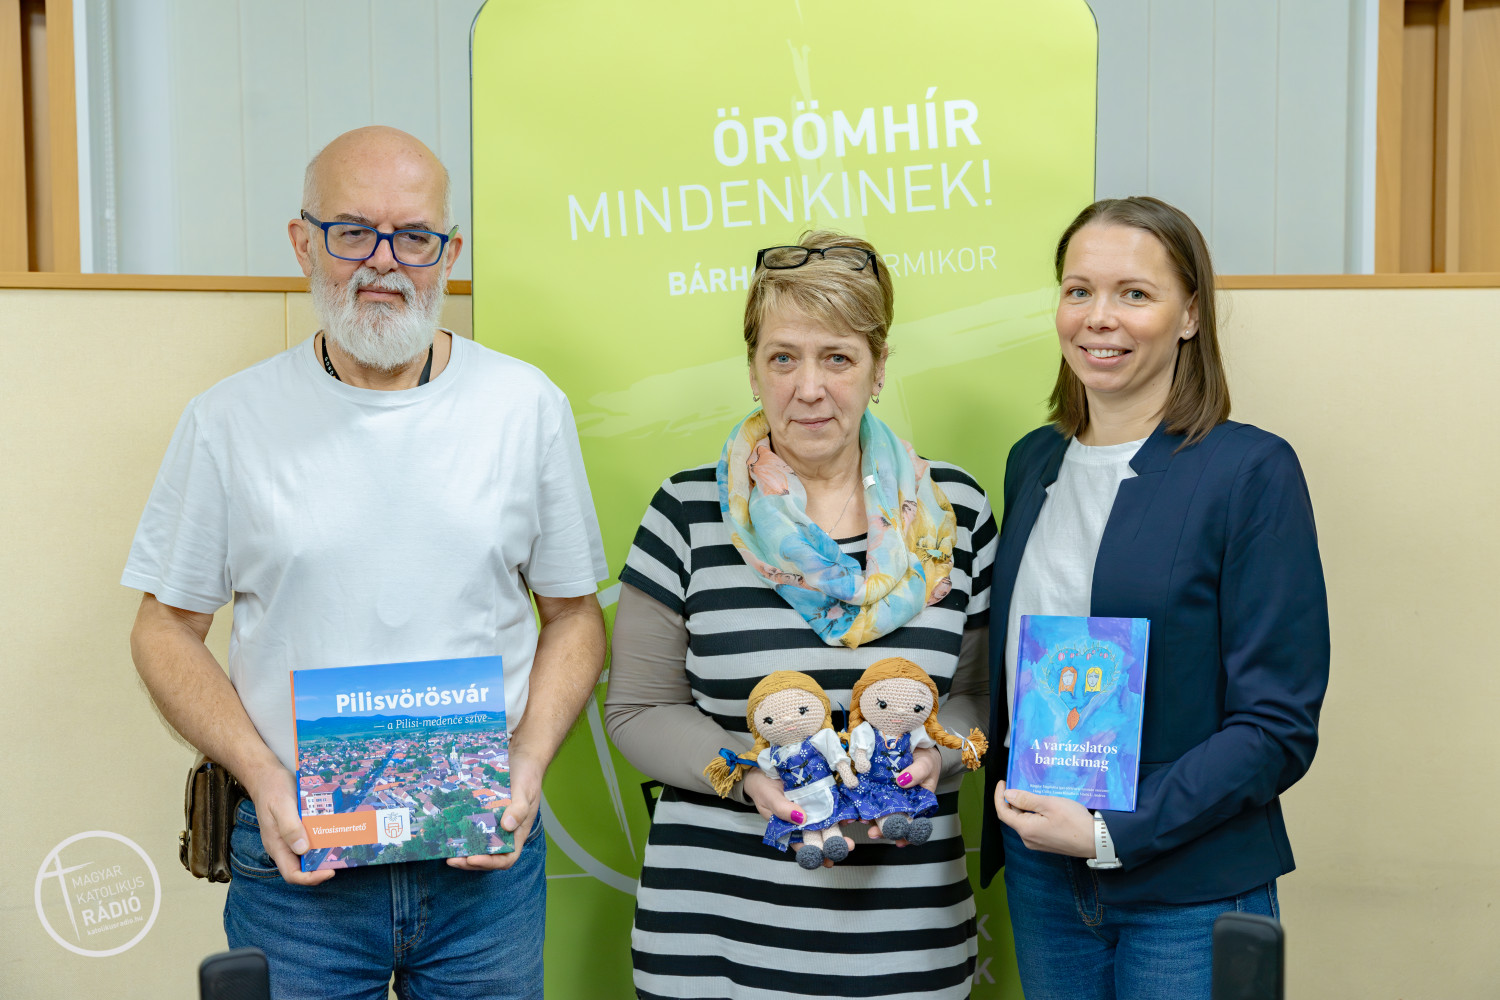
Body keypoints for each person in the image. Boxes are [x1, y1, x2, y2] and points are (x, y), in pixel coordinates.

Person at [122, 126, 608, 1000]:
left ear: (449, 252)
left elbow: (574, 616)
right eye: (353, 231)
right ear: (303, 242)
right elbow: (164, 629)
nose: (384, 261)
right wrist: (262, 777)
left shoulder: (525, 406)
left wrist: (529, 764)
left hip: (483, 870)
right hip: (299, 867)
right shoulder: (228, 421)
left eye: (414, 236)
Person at [604, 231, 998, 1000]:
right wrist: (749, 775)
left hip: (906, 947)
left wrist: (933, 758)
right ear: (753, 369)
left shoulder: (953, 514)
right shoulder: (687, 511)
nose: (808, 388)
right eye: (783, 357)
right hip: (710, 943)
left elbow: (980, 701)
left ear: (878, 369)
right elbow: (638, 710)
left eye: (837, 358)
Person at [980, 196, 1330, 1000]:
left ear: (1190, 315)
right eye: (1079, 290)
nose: (1098, 317)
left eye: (1134, 293)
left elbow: (1277, 725)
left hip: (1189, 888)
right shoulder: (1032, 462)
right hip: (1042, 875)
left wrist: (1111, 830)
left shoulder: (1250, 472)